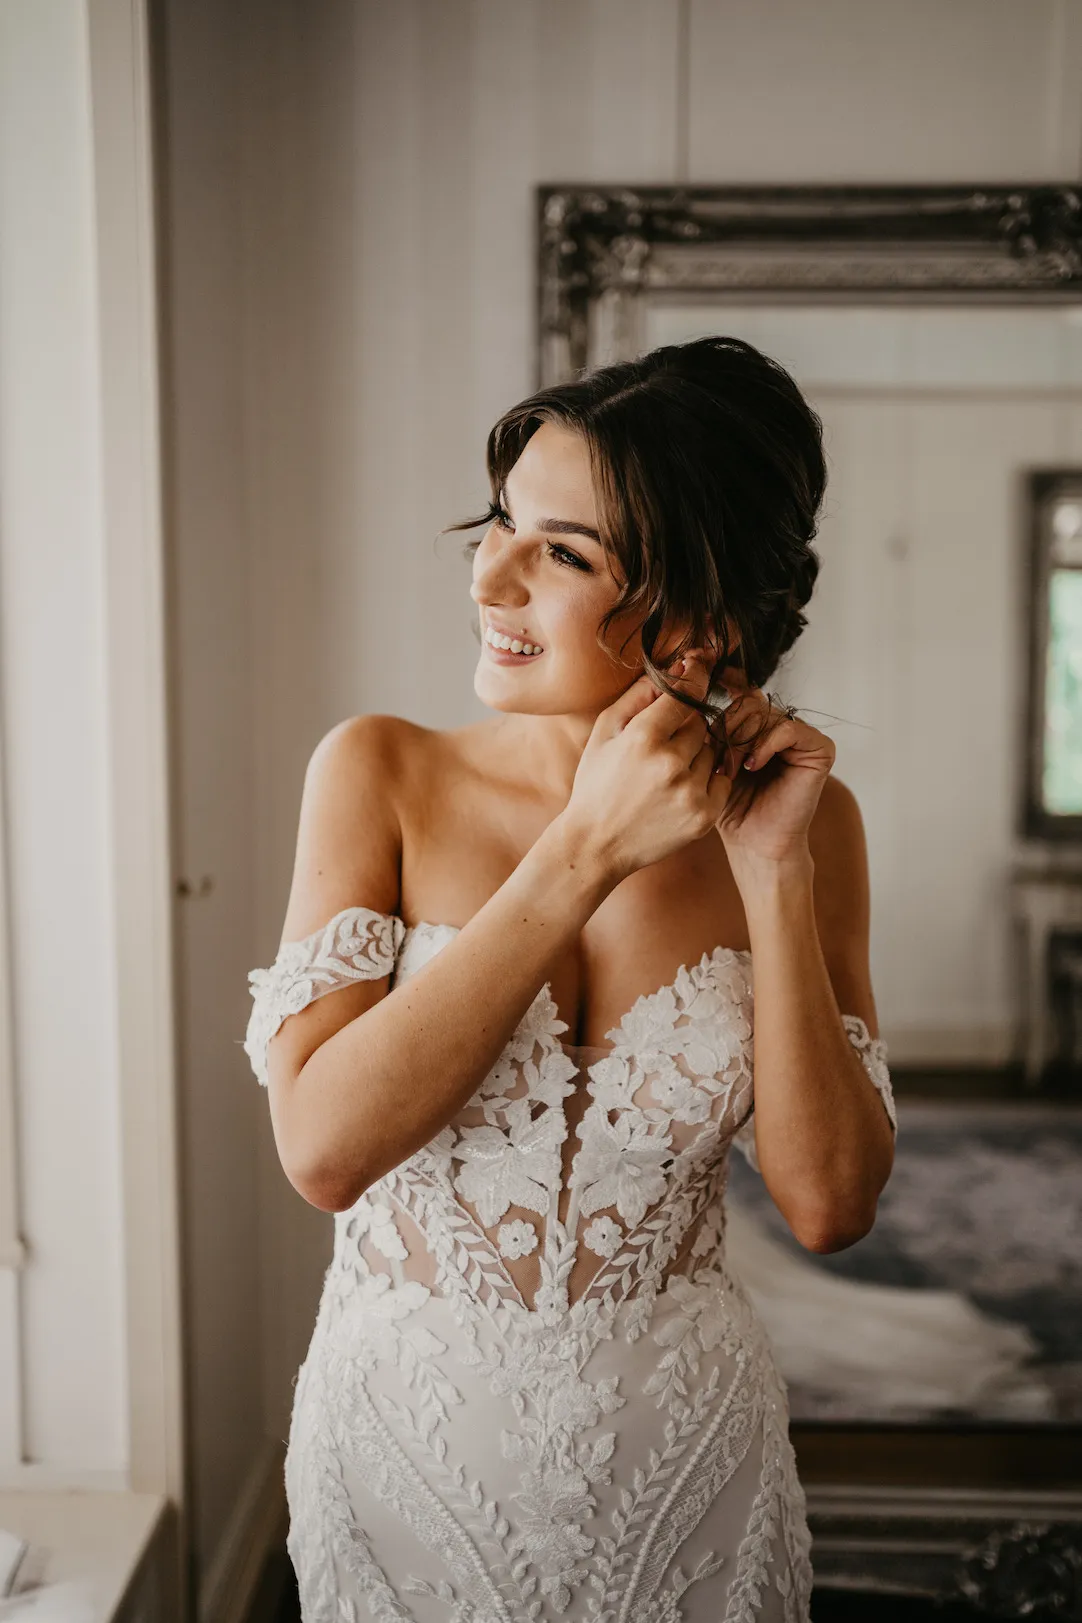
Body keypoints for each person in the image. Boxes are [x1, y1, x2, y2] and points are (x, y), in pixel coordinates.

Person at [243, 336, 897, 1623]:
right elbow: (322, 1150)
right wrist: (581, 851)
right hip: (405, 1465)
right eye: (499, 522)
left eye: (562, 553)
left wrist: (772, 873)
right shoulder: (378, 773)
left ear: (700, 617)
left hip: (686, 1480)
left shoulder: (812, 823)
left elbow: (827, 1205)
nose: (488, 575)